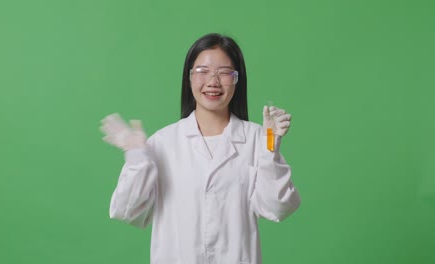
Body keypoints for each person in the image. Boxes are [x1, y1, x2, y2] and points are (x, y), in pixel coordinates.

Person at [100, 33, 301, 264]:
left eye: (224, 72)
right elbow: (127, 211)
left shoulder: (257, 138)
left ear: (237, 79)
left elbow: (277, 208)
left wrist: (270, 147)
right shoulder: (163, 142)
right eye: (202, 71)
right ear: (189, 78)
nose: (213, 81)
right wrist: (137, 155)